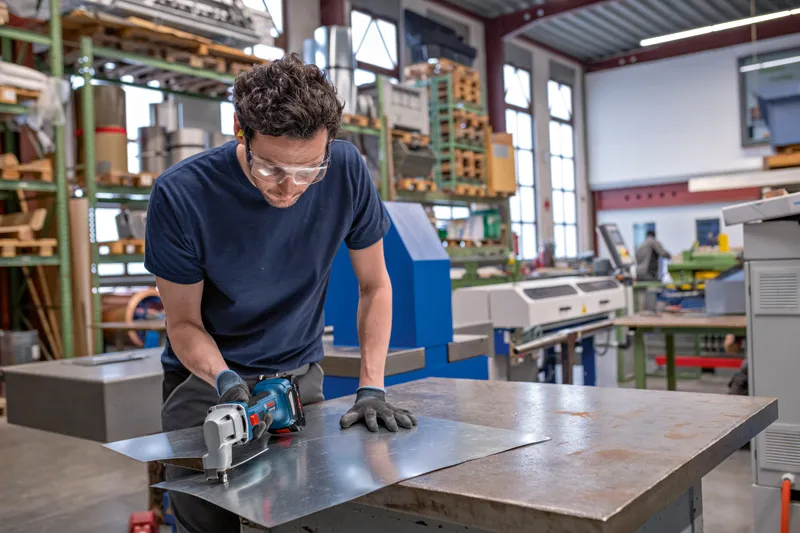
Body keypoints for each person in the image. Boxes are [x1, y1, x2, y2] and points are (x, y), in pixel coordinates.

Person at [144, 54, 416, 533]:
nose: (289, 188)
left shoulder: (347, 169)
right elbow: (183, 323)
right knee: (212, 521)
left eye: (308, 171)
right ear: (239, 130)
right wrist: (226, 381)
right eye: (269, 169)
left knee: (299, 515)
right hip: (208, 386)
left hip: (298, 382)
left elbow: (375, 285)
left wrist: (371, 386)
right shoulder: (182, 196)